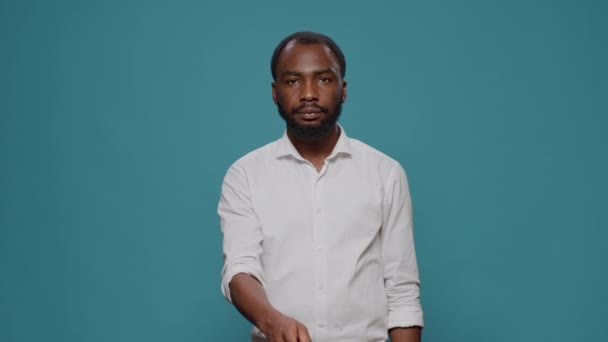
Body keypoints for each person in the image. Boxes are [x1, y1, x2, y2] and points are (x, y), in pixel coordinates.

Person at [218, 31, 423, 342]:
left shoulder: (386, 173)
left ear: (343, 90)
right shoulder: (245, 175)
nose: (309, 94)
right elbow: (239, 271)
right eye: (293, 81)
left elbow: (402, 289)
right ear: (275, 92)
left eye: (324, 80)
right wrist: (274, 322)